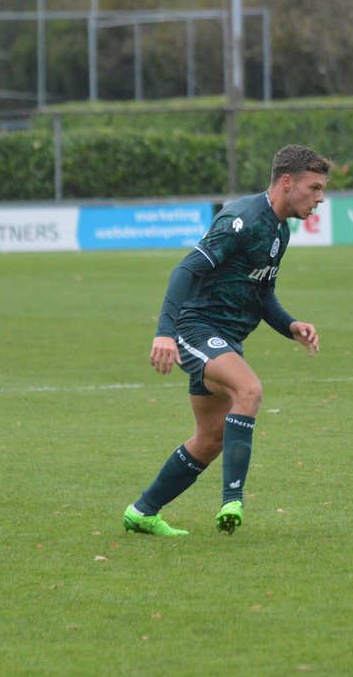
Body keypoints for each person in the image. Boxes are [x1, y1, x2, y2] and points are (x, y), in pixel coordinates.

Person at [122, 144, 332, 536]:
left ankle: (142, 512)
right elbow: (185, 269)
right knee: (249, 390)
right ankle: (232, 501)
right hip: (196, 328)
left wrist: (290, 326)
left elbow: (262, 293)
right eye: (314, 188)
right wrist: (165, 333)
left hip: (226, 339)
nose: (320, 198)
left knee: (211, 438)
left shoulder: (280, 231)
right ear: (287, 183)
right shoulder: (242, 219)